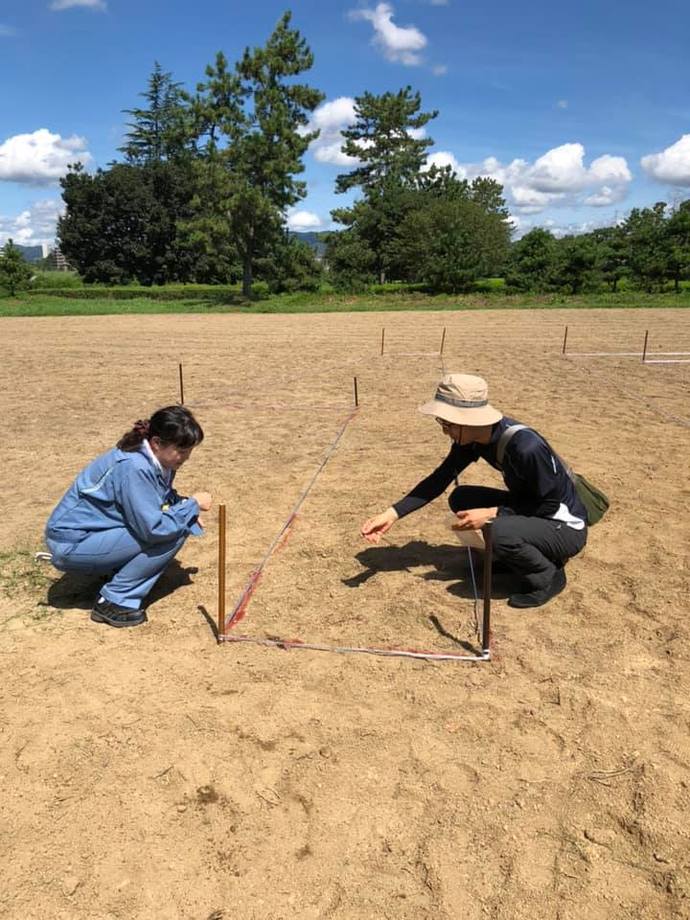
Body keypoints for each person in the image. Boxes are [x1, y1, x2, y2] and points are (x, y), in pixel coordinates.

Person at [360, 374, 587, 608]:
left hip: (564, 526)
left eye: (447, 424)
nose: (444, 431)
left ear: (468, 420)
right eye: (442, 423)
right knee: (462, 498)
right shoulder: (473, 440)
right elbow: (439, 479)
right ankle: (515, 557)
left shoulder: (526, 448)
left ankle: (548, 576)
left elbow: (549, 505)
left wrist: (493, 513)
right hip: (533, 508)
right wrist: (391, 514)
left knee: (499, 531)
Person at [45, 405, 212, 628]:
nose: (186, 457)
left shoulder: (154, 458)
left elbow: (154, 496)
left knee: (178, 519)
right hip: (72, 545)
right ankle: (114, 601)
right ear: (156, 443)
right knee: (175, 529)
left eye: (189, 450)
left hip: (90, 536)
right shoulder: (134, 466)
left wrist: (180, 504)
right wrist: (192, 506)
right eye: (181, 450)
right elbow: (154, 528)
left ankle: (115, 572)